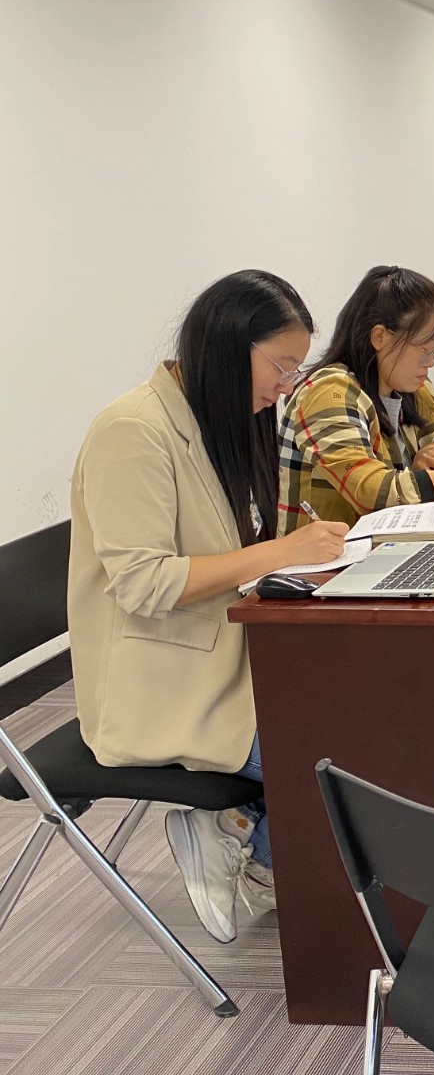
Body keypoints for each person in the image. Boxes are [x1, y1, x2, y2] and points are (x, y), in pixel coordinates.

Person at [69, 271, 350, 944]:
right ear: (227, 347)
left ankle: (240, 822)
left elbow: (225, 554)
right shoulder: (132, 431)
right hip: (157, 681)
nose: (286, 385)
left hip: (218, 648)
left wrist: (295, 561)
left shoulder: (212, 420)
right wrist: (279, 553)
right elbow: (142, 583)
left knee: (357, 705)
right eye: (281, 366)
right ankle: (262, 858)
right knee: (332, 752)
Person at [279, 265, 434, 531]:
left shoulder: (414, 388)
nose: (430, 363)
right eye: (425, 349)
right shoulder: (329, 392)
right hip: (330, 552)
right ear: (380, 337)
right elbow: (374, 492)